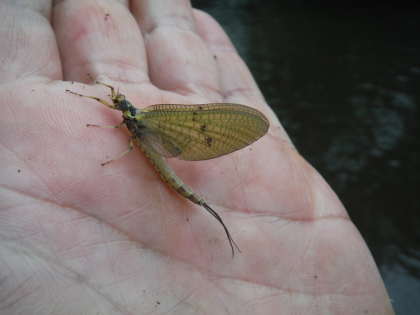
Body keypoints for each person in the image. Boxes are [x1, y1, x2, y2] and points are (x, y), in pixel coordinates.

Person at [0, 1, 394, 314]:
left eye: (117, 102)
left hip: (164, 164)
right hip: (150, 142)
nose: (115, 105)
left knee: (142, 151)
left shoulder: (137, 121)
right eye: (116, 103)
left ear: (122, 107)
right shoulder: (130, 119)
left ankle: (206, 209)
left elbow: (122, 143)